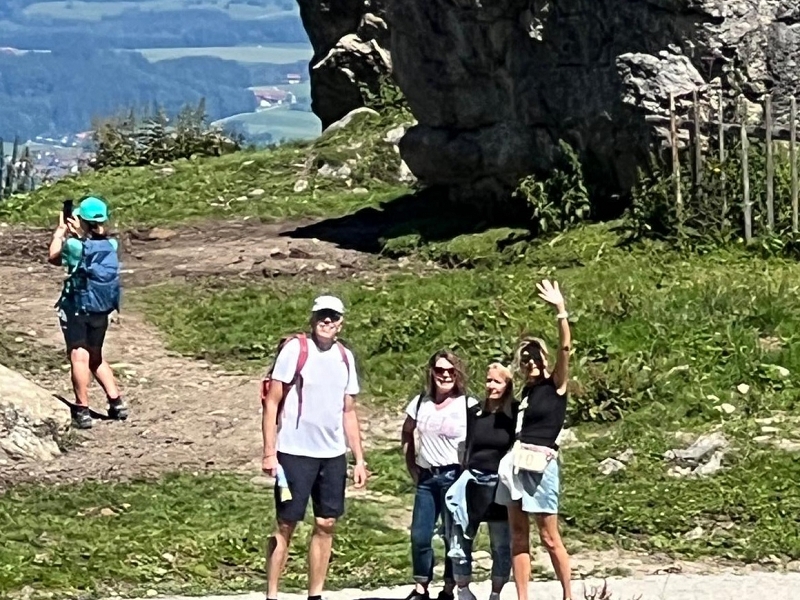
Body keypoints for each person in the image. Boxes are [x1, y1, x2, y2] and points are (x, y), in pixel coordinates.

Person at [261, 295, 367, 600]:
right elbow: (272, 401)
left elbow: (348, 411)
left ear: (341, 323)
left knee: (326, 523)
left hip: (332, 455)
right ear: (313, 318)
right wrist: (269, 452)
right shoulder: (296, 350)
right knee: (286, 523)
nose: (327, 321)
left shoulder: (345, 357)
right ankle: (272, 594)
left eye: (333, 316)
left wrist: (359, 459)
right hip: (294, 453)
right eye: (322, 315)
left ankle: (315, 594)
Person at [495, 279, 573, 600]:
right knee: (518, 535)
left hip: (540, 462)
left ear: (545, 359)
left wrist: (560, 310)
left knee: (549, 537)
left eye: (535, 356)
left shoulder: (555, 385)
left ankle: (568, 595)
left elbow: (565, 348)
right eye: (525, 359)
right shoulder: (525, 393)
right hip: (516, 461)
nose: (531, 362)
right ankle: (523, 597)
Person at [401, 350, 478, 600]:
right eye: (440, 370)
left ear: (458, 374)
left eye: (450, 371)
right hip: (427, 477)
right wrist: (411, 464)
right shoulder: (420, 402)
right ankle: (421, 585)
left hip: (454, 476)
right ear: (431, 372)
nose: (445, 375)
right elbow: (407, 431)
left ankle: (448, 588)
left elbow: (480, 439)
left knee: (452, 536)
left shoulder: (467, 405)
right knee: (420, 535)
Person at [48, 195, 127, 429]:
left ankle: (82, 409)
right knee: (96, 355)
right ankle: (116, 402)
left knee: (79, 356)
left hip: (77, 307)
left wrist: (60, 233)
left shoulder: (75, 246)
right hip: (101, 308)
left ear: (80, 220)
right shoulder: (111, 245)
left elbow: (53, 258)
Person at [444, 363, 517, 600]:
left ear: (507, 385)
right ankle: (463, 590)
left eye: (497, 381)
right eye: (488, 380)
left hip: (500, 483)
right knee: (460, 538)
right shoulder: (475, 412)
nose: (491, 386)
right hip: (472, 480)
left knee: (501, 545)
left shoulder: (514, 413)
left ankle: (496, 593)